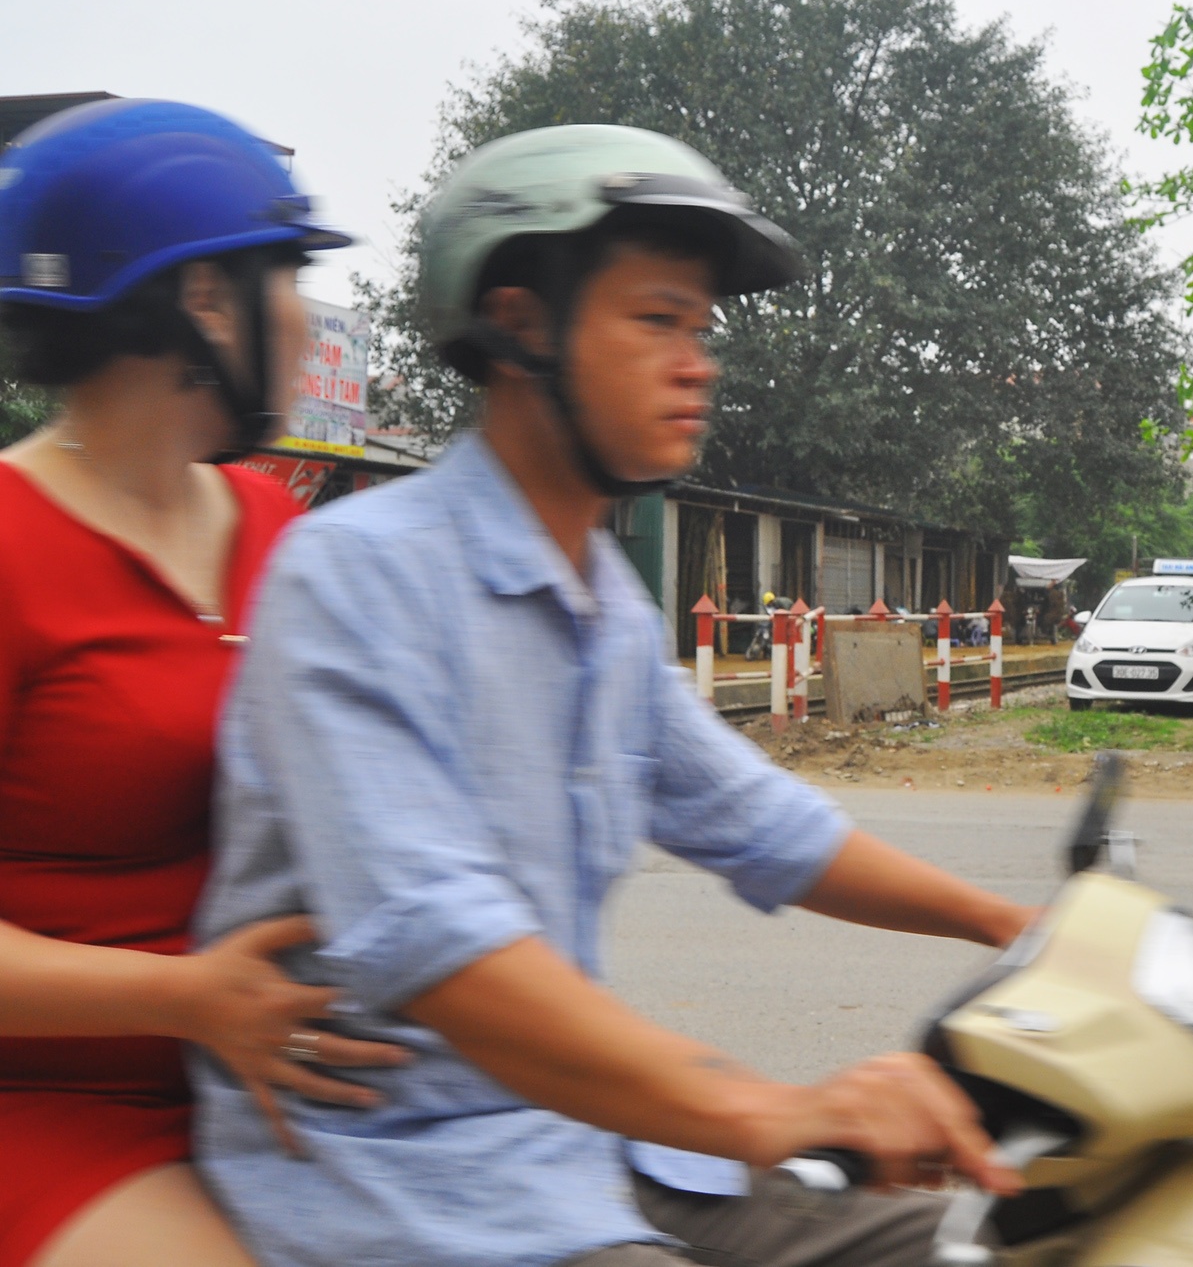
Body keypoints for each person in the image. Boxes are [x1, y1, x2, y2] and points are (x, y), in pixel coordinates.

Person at [193, 124, 1034, 1267]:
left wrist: (1017, 927)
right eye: (655, 321)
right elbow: (443, 950)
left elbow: (762, 824)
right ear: (521, 328)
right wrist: (773, 1110)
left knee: (983, 1243)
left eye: (701, 328)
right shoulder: (359, 580)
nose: (699, 363)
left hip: (589, 1149)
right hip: (402, 1184)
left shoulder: (605, 608)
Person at [0, 99, 406, 1267]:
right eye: (288, 277)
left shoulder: (276, 523)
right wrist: (187, 998)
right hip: (60, 1108)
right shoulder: (11, 544)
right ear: (205, 302)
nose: (307, 318)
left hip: (281, 1074)